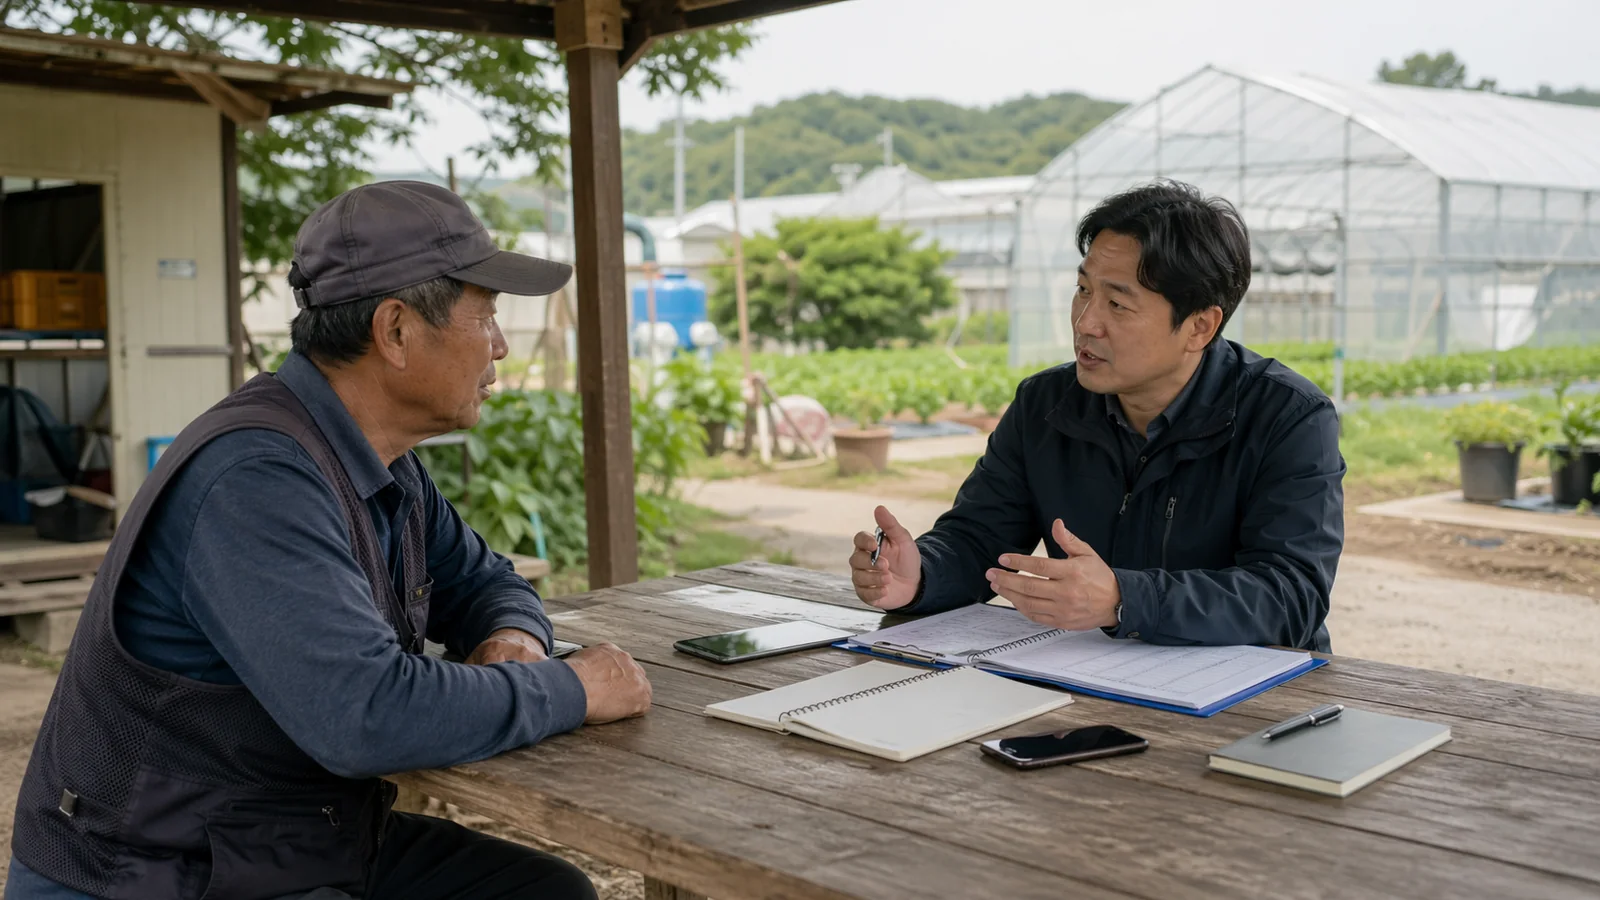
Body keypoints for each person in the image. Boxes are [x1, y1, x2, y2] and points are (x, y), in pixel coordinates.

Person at [7, 181, 652, 900]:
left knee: (543, 891)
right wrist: (569, 686)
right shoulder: (256, 479)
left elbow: (486, 581)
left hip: (287, 840)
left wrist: (515, 640)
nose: (499, 345)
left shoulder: (384, 462)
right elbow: (365, 716)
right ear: (396, 330)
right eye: (487, 315)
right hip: (160, 870)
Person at [849, 180, 1344, 653]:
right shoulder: (1045, 404)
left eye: (1117, 303)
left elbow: (1290, 594)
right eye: (1083, 290)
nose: (1086, 323)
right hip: (1089, 677)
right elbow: (980, 539)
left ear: (1199, 326)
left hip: (1252, 695)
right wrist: (919, 577)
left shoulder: (1289, 417)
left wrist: (1124, 598)